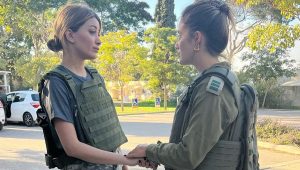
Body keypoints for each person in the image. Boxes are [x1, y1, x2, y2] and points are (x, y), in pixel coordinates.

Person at [127, 0, 247, 169]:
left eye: (180, 35)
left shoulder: (212, 90)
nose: (177, 44)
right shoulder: (213, 81)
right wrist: (157, 154)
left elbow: (187, 156)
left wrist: (149, 150)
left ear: (197, 38)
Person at [41, 3, 139, 170]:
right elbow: (72, 147)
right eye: (92, 32)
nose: (99, 40)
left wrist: (121, 163)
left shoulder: (95, 76)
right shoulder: (56, 82)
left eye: (98, 33)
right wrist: (124, 159)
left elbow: (106, 130)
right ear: (70, 35)